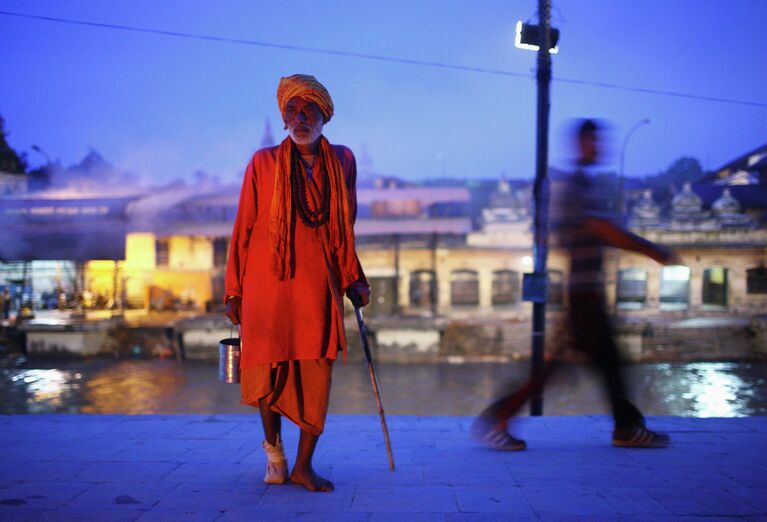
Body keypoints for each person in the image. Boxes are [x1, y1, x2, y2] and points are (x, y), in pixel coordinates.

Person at [472, 118, 681, 450]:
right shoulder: (578, 186)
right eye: (593, 142)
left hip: (586, 290)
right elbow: (599, 227)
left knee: (592, 364)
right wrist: (650, 249)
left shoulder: (581, 184)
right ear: (581, 144)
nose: (599, 148)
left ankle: (622, 426)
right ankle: (499, 419)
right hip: (583, 292)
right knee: (593, 364)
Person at [225, 74, 370, 492]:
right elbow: (244, 229)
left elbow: (345, 229)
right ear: (283, 116)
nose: (300, 118)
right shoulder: (263, 162)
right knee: (266, 371)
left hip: (316, 288)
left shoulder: (342, 160)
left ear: (325, 115)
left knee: (316, 372)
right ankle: (274, 454)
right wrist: (233, 290)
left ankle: (304, 466)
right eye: (292, 110)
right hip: (266, 288)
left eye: (309, 110)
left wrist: (353, 278)